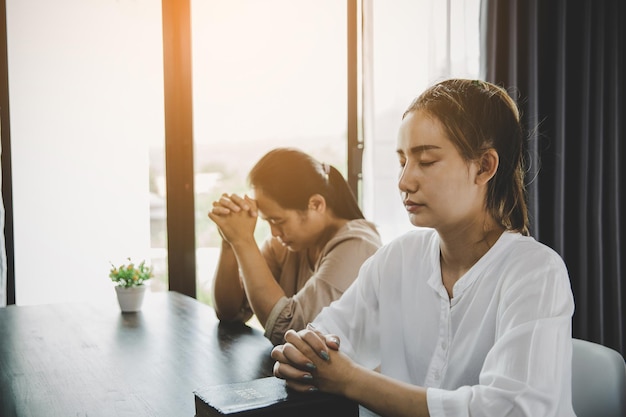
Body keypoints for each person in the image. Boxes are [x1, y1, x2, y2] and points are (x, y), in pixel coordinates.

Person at [270, 79, 576, 417]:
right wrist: (301, 356)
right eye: (402, 161)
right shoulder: (397, 259)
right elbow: (323, 336)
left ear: (485, 166)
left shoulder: (535, 272)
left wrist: (350, 381)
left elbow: (512, 410)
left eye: (426, 161)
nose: (404, 181)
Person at [208, 147, 382, 345]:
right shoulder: (287, 245)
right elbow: (231, 311)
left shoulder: (357, 246)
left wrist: (244, 241)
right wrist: (230, 241)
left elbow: (292, 332)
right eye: (268, 222)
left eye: (279, 221)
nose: (274, 232)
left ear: (316, 204)